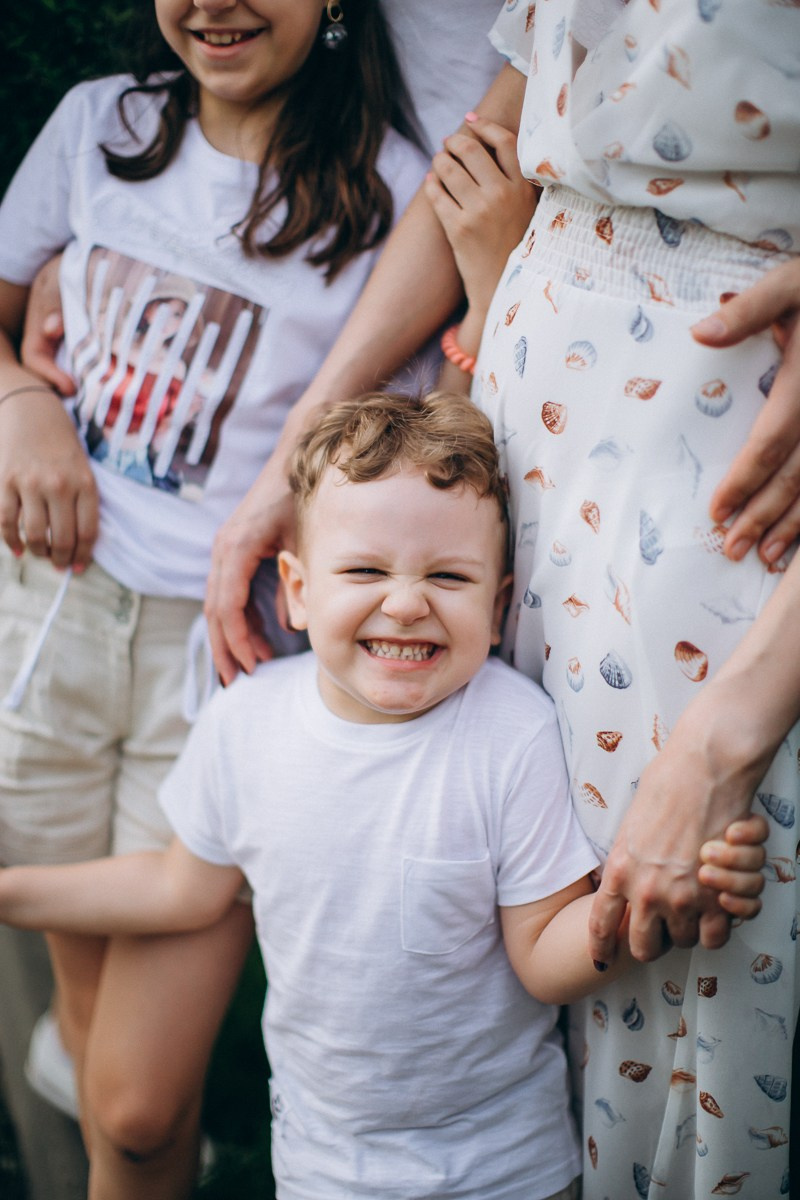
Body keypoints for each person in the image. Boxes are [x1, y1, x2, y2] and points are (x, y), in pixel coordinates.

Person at [198, 3, 800, 1197]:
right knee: (535, 837)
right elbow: (494, 136)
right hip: (535, 418)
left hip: (726, 419)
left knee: (698, 912)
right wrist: (292, 465)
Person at [0, 390, 768, 1200]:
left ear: (499, 603)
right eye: (365, 569)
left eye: (447, 575)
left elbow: (542, 954)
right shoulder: (246, 721)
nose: (405, 601)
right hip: (322, 1167)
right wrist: (13, 891)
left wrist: (646, 907)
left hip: (504, 1171)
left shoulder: (513, 733)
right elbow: (179, 887)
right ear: (296, 589)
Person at [0, 2, 430, 1196]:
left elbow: (373, 451)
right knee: (93, 1049)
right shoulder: (103, 125)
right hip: (46, 618)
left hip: (222, 658)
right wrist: (22, 406)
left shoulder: (394, 192)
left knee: (135, 1100)